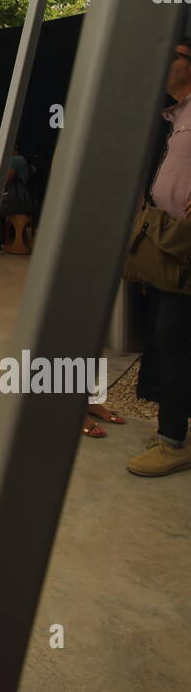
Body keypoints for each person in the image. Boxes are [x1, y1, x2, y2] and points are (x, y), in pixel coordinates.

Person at [125, 39, 191, 475]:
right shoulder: (178, 116)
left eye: (174, 55)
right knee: (170, 336)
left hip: (184, 244)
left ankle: (173, 441)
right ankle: (172, 432)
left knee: (175, 338)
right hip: (172, 243)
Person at [0, 144, 36, 255]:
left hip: (21, 200)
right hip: (27, 200)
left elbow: (6, 180)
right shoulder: (22, 160)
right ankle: (1, 241)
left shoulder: (15, 160)